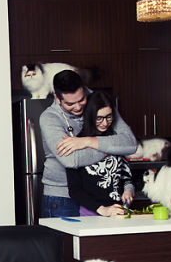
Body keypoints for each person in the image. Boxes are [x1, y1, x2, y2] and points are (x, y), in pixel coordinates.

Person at [38, 70, 137, 217]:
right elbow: (71, 160)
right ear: (57, 99)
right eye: (70, 103)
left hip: (97, 198)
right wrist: (112, 148)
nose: (78, 107)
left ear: (84, 90)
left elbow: (130, 143)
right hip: (62, 197)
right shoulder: (50, 118)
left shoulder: (98, 102)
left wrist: (86, 142)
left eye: (81, 100)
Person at [65, 91, 135, 217]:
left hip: (118, 210)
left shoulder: (116, 140)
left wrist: (128, 190)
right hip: (92, 213)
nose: (105, 123)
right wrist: (103, 209)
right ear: (90, 116)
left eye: (109, 117)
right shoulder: (77, 144)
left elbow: (125, 175)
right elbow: (75, 190)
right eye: (99, 118)